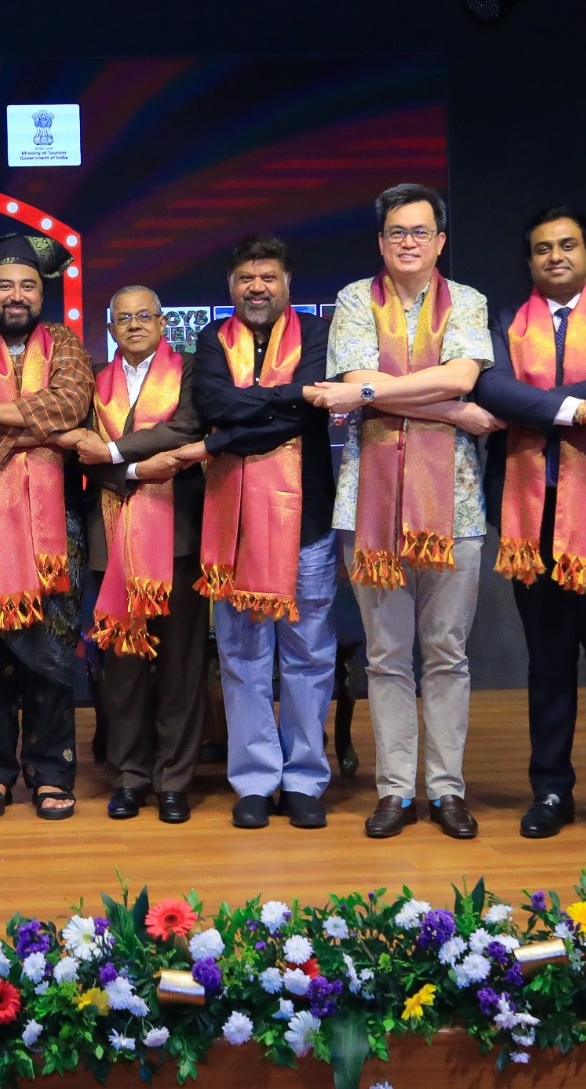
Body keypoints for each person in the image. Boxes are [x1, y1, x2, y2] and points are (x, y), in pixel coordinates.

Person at [470, 207, 586, 847]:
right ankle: (550, 790)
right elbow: (493, 390)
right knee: (548, 663)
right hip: (533, 515)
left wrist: (541, 404)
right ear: (530, 260)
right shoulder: (506, 320)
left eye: (567, 245)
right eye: (543, 248)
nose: (555, 256)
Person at [309, 183, 493, 842]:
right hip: (372, 507)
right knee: (387, 656)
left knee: (446, 653)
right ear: (381, 242)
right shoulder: (354, 300)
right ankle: (394, 790)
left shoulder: (467, 301)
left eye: (420, 231)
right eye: (397, 232)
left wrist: (371, 391)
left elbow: (460, 376)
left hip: (455, 509)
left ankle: (446, 789)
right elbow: (362, 386)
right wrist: (454, 408)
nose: (408, 242)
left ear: (440, 241)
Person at [0, 234, 93, 822]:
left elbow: (71, 404)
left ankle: (52, 770)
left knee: (53, 644)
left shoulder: (65, 342)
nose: (17, 295)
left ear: (41, 293)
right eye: (5, 285)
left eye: (28, 285)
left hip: (57, 521)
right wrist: (46, 432)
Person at [192, 235, 335, 830]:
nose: (257, 287)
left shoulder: (318, 335)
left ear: (287, 284)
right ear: (231, 286)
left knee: (308, 656)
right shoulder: (211, 340)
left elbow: (310, 409)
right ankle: (254, 781)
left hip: (308, 522)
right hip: (236, 526)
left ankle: (303, 779)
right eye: (247, 278)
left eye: (268, 277)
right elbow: (213, 404)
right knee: (243, 656)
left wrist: (240, 421)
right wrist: (284, 401)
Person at [55, 285, 205, 822]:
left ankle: (173, 780)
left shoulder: (190, 371)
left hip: (177, 537)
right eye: (124, 318)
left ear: (163, 323)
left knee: (180, 665)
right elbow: (83, 454)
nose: (135, 324)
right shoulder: (94, 381)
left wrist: (117, 453)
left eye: (145, 315)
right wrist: (140, 467)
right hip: (110, 540)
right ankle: (129, 778)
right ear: (110, 328)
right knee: (120, 668)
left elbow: (185, 431)